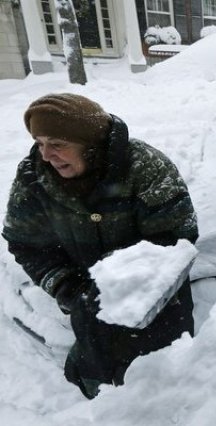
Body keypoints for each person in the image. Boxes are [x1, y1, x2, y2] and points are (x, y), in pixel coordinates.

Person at [2, 93, 199, 399]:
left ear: (89, 144)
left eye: (57, 143)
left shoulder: (144, 166)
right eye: (40, 143)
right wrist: (67, 286)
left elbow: (175, 237)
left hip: (157, 296)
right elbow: (26, 243)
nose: (45, 155)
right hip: (84, 295)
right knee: (100, 381)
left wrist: (118, 280)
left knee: (167, 385)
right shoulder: (33, 177)